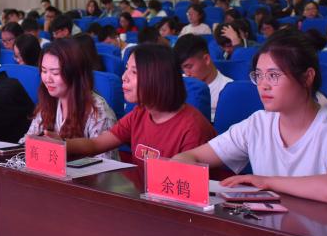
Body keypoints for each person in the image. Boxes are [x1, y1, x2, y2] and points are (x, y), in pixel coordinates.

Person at [174, 31, 327, 208]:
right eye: (259, 75)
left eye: (273, 75)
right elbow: (190, 157)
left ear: (307, 77)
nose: (263, 85)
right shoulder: (258, 124)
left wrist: (265, 181)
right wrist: (182, 165)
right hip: (274, 228)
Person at [64, 43, 216, 166]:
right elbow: (96, 144)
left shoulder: (192, 128)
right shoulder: (140, 113)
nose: (124, 77)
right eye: (126, 69)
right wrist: (61, 144)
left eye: (134, 72)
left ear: (158, 79)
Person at [21, 39, 116, 155]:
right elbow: (28, 141)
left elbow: (105, 162)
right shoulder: (49, 100)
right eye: (44, 71)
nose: (47, 79)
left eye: (55, 73)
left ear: (75, 74)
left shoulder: (98, 111)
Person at [174, 34, 232, 120]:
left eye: (189, 67)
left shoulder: (228, 89)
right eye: (182, 69)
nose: (187, 73)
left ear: (206, 59)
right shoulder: (178, 83)